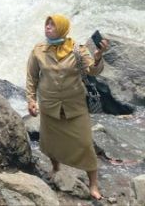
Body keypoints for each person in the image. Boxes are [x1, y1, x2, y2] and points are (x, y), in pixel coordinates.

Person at [26, 14, 109, 200]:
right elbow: (32, 77)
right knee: (50, 140)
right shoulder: (38, 50)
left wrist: (98, 56)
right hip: (49, 105)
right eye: (46, 24)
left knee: (85, 144)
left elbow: (93, 71)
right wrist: (31, 100)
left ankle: (93, 184)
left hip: (74, 105)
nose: (48, 28)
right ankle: (55, 167)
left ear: (63, 28)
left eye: (52, 25)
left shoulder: (78, 50)